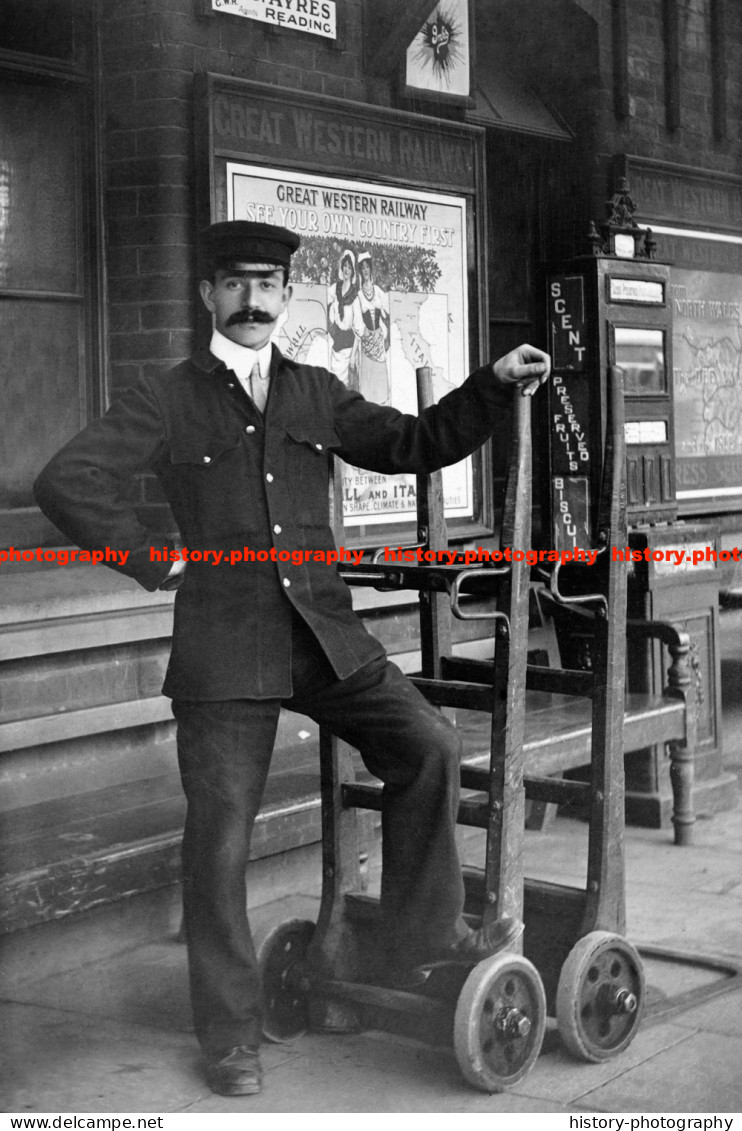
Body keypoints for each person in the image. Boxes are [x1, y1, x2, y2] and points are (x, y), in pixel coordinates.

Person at [34, 221, 551, 1098]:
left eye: (268, 284)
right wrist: (154, 556)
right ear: (207, 295)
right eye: (234, 284)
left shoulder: (315, 390)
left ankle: (416, 937)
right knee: (220, 840)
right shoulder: (166, 396)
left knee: (426, 746)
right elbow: (66, 480)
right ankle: (230, 1035)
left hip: (322, 640)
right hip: (223, 652)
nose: (252, 300)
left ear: (285, 295)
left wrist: (492, 385)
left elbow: (415, 442)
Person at [350, 250, 390, 403]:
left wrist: (381, 329)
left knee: (381, 391)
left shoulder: (378, 291)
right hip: (367, 346)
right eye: (362, 268)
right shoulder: (359, 296)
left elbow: (387, 313)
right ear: (360, 271)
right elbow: (358, 324)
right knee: (368, 392)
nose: (365, 270)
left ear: (371, 269)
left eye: (367, 267)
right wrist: (366, 332)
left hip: (379, 344)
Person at [327, 248, 358, 383]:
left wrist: (352, 357)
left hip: (348, 348)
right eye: (345, 266)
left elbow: (358, 331)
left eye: (349, 267)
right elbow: (325, 299)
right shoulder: (335, 288)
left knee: (343, 385)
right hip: (335, 344)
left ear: (353, 271)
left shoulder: (355, 297)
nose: (346, 270)